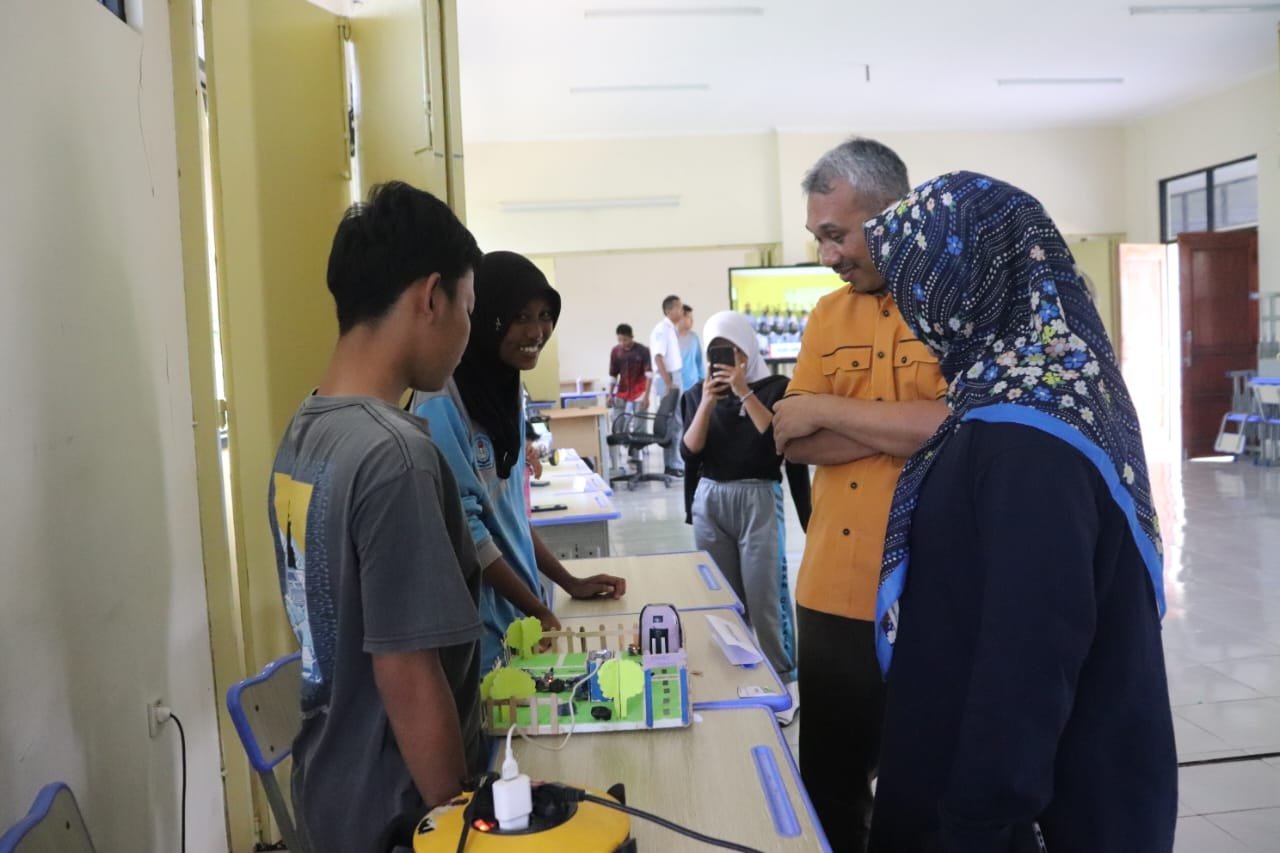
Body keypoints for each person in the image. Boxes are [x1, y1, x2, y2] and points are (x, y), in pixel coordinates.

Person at [864, 172, 1176, 852]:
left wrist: (977, 821)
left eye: (916, 282)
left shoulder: (1026, 440)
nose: (912, 308)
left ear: (966, 285)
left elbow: (1030, 654)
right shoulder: (1023, 402)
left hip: (1026, 811)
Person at [266, 181, 486, 852]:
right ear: (430, 298)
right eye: (469, 308)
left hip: (332, 788)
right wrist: (460, 822)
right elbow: (408, 672)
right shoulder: (395, 454)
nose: (467, 332)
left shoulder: (306, 429)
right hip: (398, 814)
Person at [771, 137, 949, 853]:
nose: (828, 255)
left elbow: (955, 424)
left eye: (836, 235)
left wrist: (835, 411)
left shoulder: (949, 305)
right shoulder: (825, 317)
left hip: (929, 588)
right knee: (832, 789)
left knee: (926, 781)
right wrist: (899, 427)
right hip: (830, 596)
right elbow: (790, 435)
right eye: (821, 237)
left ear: (893, 215)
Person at [414, 251, 626, 670]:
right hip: (484, 636)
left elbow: (508, 516)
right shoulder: (442, 404)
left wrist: (567, 583)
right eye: (520, 317)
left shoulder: (503, 390)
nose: (537, 331)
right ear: (486, 314)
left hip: (521, 622)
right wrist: (538, 610)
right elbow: (469, 535)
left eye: (545, 315)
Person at [680, 311, 810, 716]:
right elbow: (690, 451)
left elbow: (778, 442)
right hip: (711, 498)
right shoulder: (695, 395)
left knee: (764, 595)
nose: (724, 360)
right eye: (716, 352)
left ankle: (784, 682)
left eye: (732, 351)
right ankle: (736, 679)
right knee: (722, 599)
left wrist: (744, 392)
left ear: (748, 351)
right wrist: (706, 401)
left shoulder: (776, 388)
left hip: (758, 497)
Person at [607, 322, 651, 474]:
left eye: (625, 340)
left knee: (639, 424)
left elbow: (649, 375)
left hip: (639, 392)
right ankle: (618, 456)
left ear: (631, 337)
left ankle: (635, 455)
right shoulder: (616, 352)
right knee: (617, 422)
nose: (622, 343)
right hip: (623, 392)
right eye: (620, 340)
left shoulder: (643, 351)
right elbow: (613, 375)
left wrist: (647, 396)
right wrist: (610, 394)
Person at [649, 294, 685, 476]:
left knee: (677, 422)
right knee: (672, 422)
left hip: (674, 376)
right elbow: (658, 356)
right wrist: (669, 382)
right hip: (668, 378)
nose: (681, 310)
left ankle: (675, 463)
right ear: (668, 310)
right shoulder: (662, 329)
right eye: (678, 307)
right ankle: (673, 465)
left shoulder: (671, 329)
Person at [678, 303, 705, 394]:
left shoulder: (694, 337)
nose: (692, 320)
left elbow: (699, 360)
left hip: (694, 384)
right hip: (677, 386)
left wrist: (702, 379)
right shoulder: (671, 338)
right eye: (689, 317)